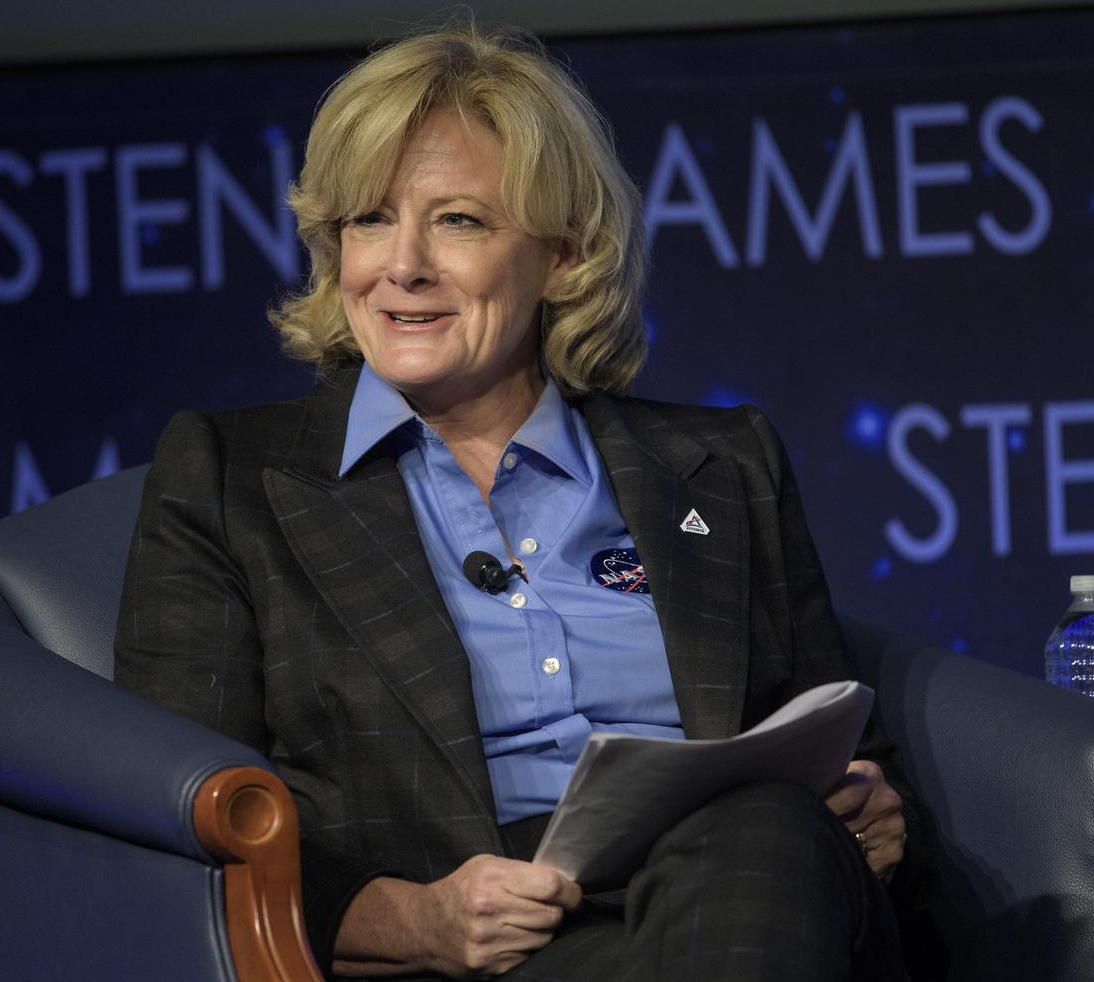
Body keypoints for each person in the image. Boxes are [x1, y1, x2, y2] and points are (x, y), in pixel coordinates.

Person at [115, 19, 934, 981]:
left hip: (747, 890)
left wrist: (872, 810)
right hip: (481, 952)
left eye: (458, 220)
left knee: (760, 827)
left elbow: (841, 740)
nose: (402, 264)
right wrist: (416, 921)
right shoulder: (231, 479)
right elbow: (179, 816)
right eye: (368, 220)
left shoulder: (721, 463)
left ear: (564, 257)